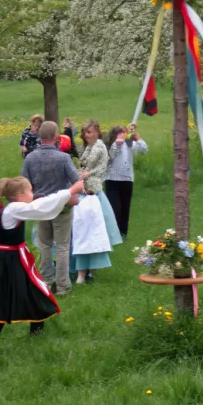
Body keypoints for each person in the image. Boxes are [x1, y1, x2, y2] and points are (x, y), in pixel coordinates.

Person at [0, 176, 83, 350]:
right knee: (7, 297)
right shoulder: (15, 209)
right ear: (19, 195)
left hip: (10, 258)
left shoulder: (11, 208)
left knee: (33, 291)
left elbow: (38, 205)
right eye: (30, 191)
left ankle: (35, 333)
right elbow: (39, 208)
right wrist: (69, 191)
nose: (33, 193)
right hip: (9, 260)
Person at [21, 121, 81, 296]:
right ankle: (62, 287)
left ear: (39, 137)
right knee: (62, 246)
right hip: (62, 206)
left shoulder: (30, 158)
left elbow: (24, 183)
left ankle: (47, 281)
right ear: (56, 138)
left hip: (41, 206)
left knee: (44, 245)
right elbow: (76, 180)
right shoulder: (63, 158)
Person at [71, 119, 122, 284]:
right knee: (85, 230)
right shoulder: (89, 147)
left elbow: (101, 167)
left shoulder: (99, 146)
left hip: (93, 190)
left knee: (91, 230)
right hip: (84, 190)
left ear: (97, 132)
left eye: (90, 132)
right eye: (85, 132)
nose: (87, 135)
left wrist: (87, 174)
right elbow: (82, 162)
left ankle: (88, 271)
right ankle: (87, 270)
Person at [105, 123, 148, 240]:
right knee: (115, 207)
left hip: (127, 179)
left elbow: (144, 149)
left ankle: (123, 233)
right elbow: (112, 155)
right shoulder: (111, 144)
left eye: (125, 132)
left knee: (125, 207)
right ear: (115, 134)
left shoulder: (128, 143)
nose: (124, 135)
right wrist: (117, 143)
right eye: (120, 132)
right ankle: (113, 233)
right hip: (112, 179)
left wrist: (137, 137)